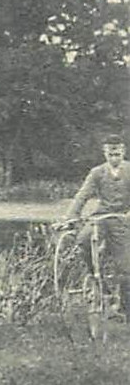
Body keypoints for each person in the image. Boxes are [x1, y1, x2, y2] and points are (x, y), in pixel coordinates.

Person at [62, 134, 130, 317]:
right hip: (100, 217)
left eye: (117, 154)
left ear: (123, 151)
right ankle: (95, 276)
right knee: (83, 240)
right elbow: (82, 195)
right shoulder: (97, 172)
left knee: (125, 267)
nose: (114, 158)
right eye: (110, 154)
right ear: (105, 153)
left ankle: (123, 308)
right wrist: (71, 217)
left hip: (122, 220)